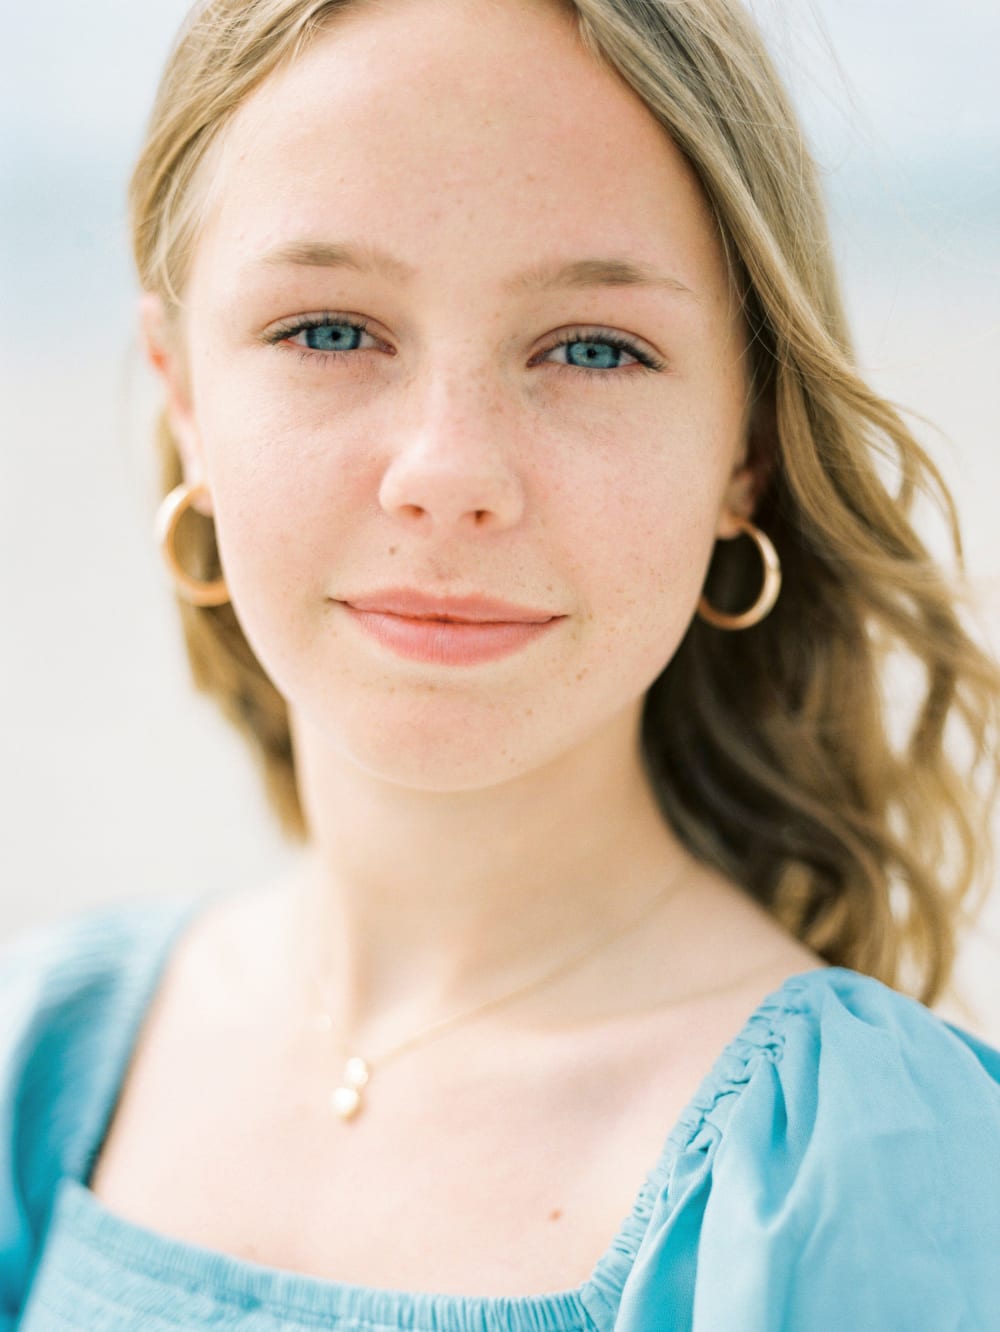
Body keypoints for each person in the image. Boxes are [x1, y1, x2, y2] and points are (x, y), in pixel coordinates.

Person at [3, 0, 1000, 1326]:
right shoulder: (46, 1053)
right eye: (329, 329)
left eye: (593, 348)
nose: (448, 473)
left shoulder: (848, 1169)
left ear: (745, 449)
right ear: (183, 393)